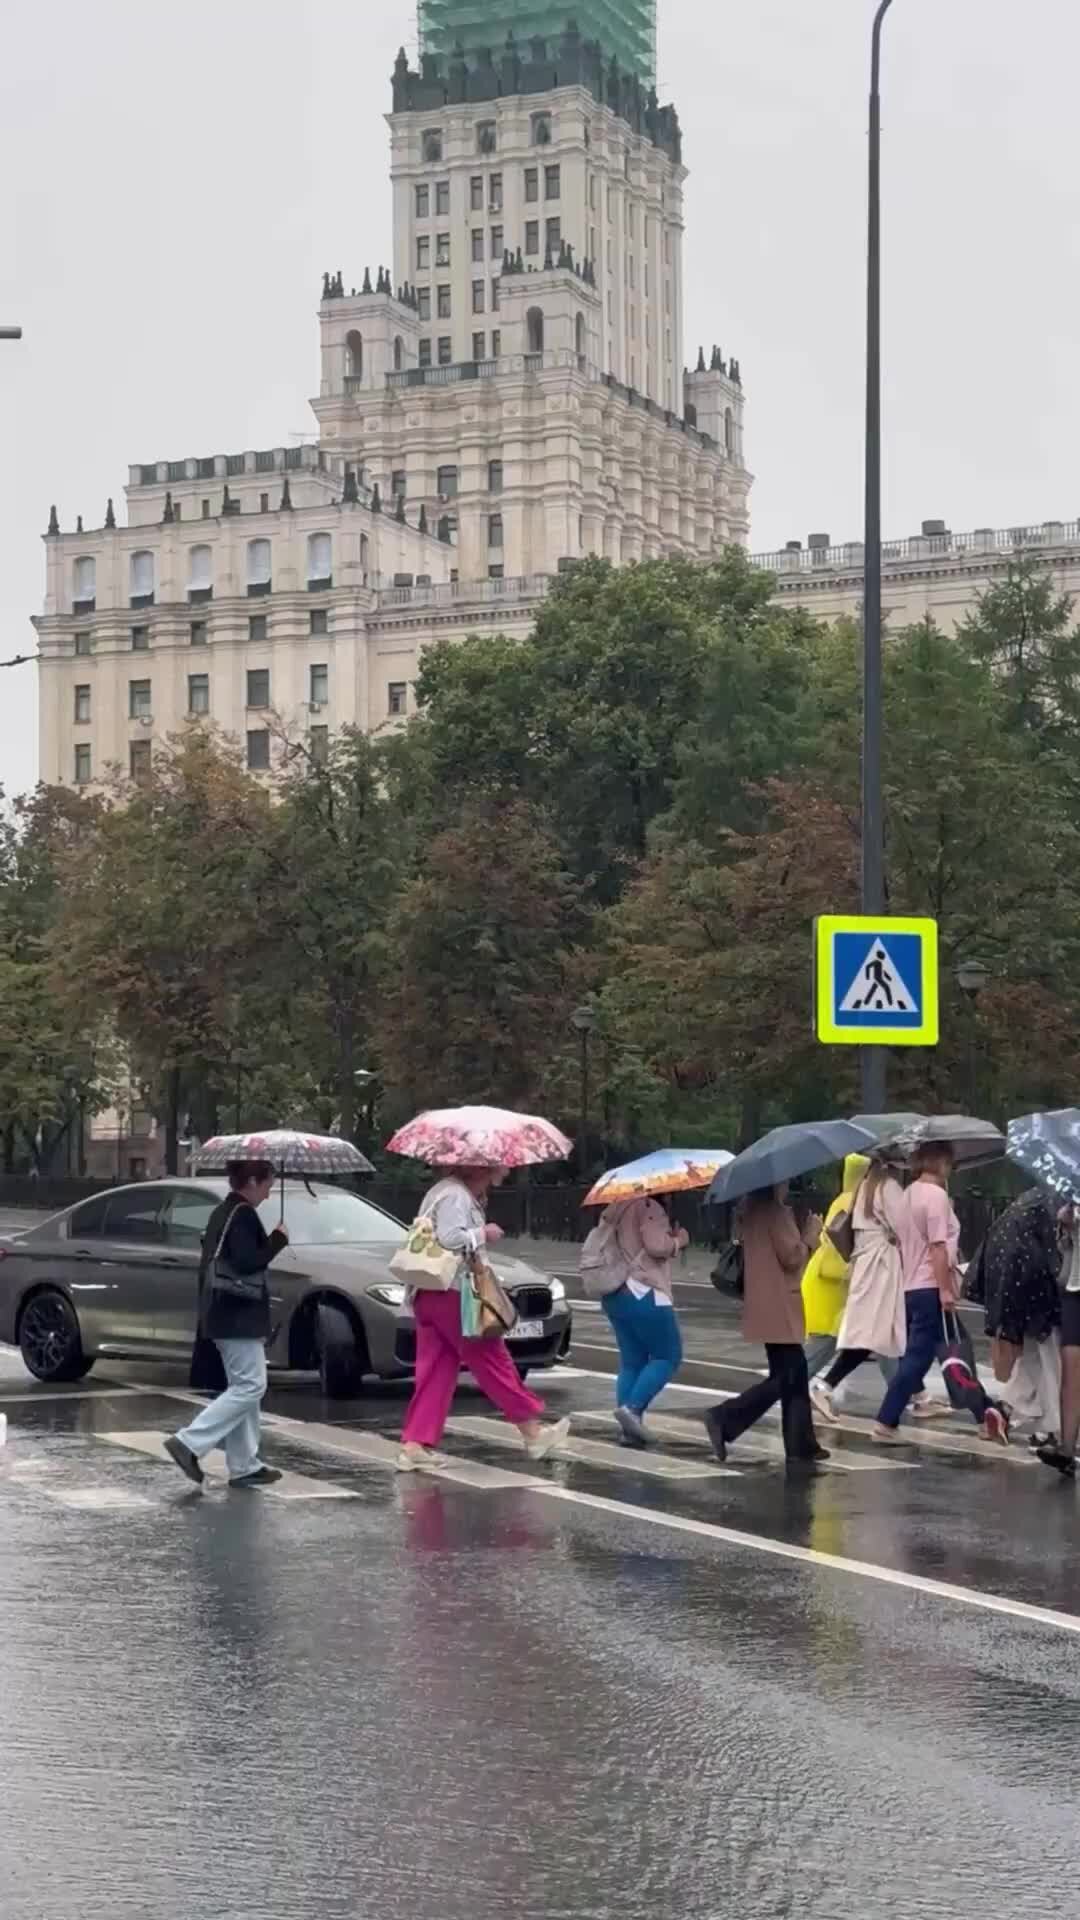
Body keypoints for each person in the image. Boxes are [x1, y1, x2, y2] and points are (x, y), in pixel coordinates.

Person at [398, 1166, 570, 1470]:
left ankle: (415, 1444)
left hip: (430, 1293)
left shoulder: (443, 1191)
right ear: (479, 1169)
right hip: (453, 1294)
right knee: (492, 1359)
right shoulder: (455, 1195)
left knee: (437, 1370)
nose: (498, 1177)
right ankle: (533, 1432)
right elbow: (450, 1238)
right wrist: (483, 1233)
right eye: (495, 1173)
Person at [164, 1159, 288, 1489]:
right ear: (250, 1181)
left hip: (223, 1312)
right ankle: (189, 1443)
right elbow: (248, 1262)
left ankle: (245, 1464)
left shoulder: (223, 1211)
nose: (270, 1190)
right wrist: (276, 1240)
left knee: (243, 1387)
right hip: (237, 1315)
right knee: (251, 1386)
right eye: (267, 1183)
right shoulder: (242, 1214)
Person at [872, 1143, 1007, 1446]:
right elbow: (937, 1247)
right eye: (948, 1159)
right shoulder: (935, 1196)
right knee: (920, 1359)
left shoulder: (907, 1196)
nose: (952, 1165)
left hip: (913, 1286)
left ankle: (987, 1413)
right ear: (938, 1161)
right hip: (931, 1285)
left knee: (955, 1352)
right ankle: (885, 1420)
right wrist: (946, 1288)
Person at [704, 1183, 826, 1465]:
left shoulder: (748, 1210)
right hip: (780, 1302)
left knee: (792, 1374)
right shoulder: (776, 1212)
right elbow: (793, 1257)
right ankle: (724, 1417)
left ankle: (802, 1444)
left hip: (762, 1301)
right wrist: (811, 1235)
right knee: (788, 1376)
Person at [808, 1153, 926, 1424]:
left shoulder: (865, 1188)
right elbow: (905, 1228)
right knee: (875, 1334)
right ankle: (827, 1388)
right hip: (882, 1265)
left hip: (866, 1263)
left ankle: (907, 1397)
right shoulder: (890, 1188)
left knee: (873, 1335)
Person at [965, 1189, 1061, 1448]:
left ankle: (1004, 1410)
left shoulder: (1039, 1193)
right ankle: (1053, 1430)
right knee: (1054, 1356)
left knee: (1035, 1353)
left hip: (1010, 1268)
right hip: (1034, 1271)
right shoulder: (1066, 1197)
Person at [597, 1195, 687, 1447]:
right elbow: (656, 1246)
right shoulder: (650, 1207)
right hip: (644, 1290)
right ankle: (633, 1410)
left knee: (632, 1361)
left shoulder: (615, 1206)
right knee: (667, 1356)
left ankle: (628, 1429)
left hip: (615, 1291)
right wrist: (679, 1240)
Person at [800, 1153, 870, 1380]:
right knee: (822, 1346)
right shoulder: (853, 1203)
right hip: (830, 1288)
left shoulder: (844, 1200)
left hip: (830, 1286)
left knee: (829, 1344)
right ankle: (779, 1391)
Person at [1036, 1201, 1080, 1478]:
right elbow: (1066, 1249)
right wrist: (1067, 1224)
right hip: (1075, 1290)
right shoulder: (1073, 1196)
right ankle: (1066, 1449)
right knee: (1071, 1369)